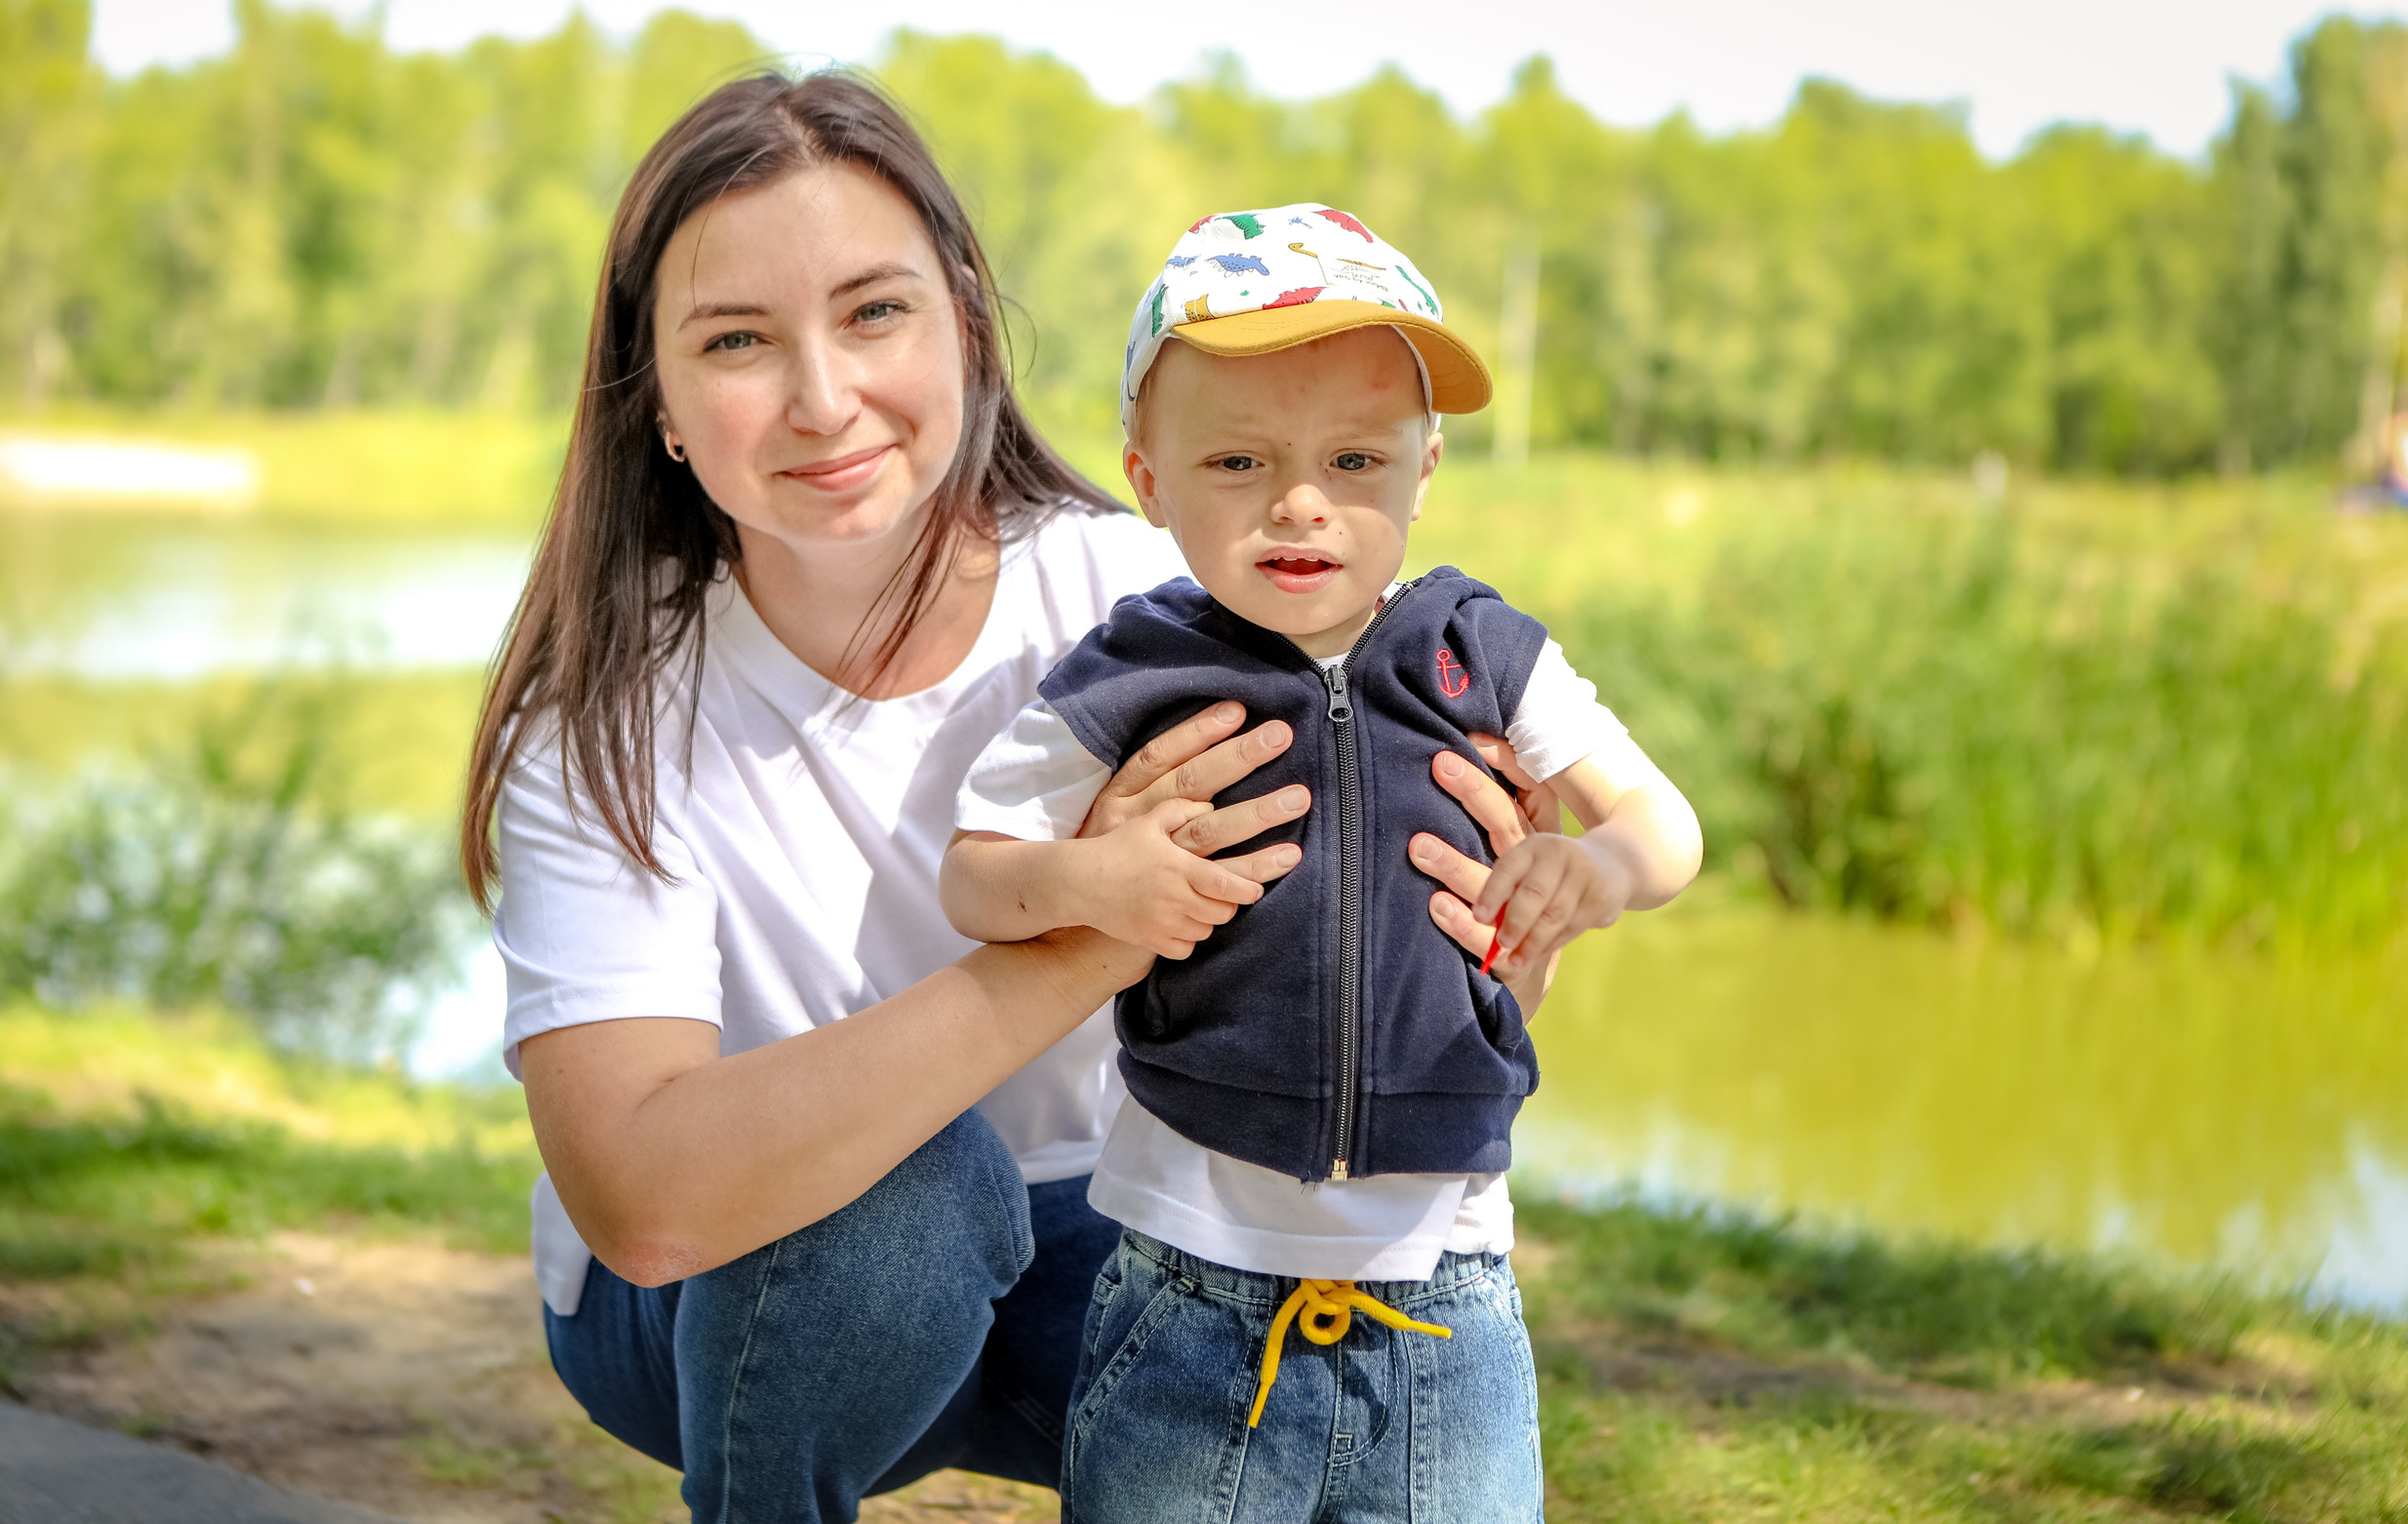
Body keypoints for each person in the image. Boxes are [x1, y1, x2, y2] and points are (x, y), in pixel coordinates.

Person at [461, 82, 1559, 1524]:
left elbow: (1428, 958)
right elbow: (643, 1199)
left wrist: (1501, 921)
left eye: (874, 314)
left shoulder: (1159, 604)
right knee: (910, 1194)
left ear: (967, 326)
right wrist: (1101, 926)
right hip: (733, 1291)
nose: (822, 397)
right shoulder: (604, 714)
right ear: (654, 400)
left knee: (1308, 1266)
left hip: (1120, 1255)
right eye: (736, 341)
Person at [941, 206, 1705, 1523]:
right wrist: (1090, 883)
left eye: (1356, 458)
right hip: (1189, 1275)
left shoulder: (1483, 651)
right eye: (1238, 461)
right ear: (1150, 481)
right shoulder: (1137, 666)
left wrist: (1606, 870)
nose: (1302, 503)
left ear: (1426, 470)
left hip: (1450, 1292)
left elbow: (1665, 826)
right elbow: (976, 872)